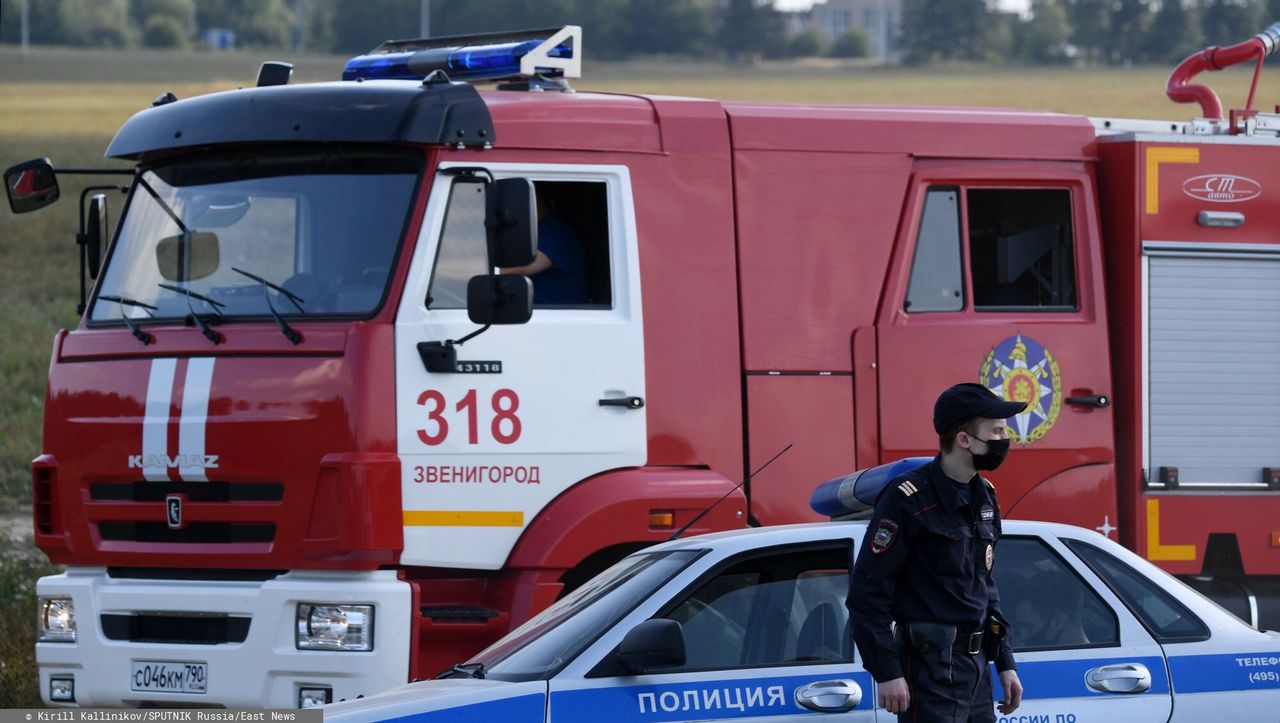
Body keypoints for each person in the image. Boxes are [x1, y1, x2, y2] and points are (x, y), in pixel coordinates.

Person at [850, 382, 1026, 721]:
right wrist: (887, 671)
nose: (1005, 440)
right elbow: (867, 593)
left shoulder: (984, 497)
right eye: (997, 431)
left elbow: (985, 588)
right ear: (964, 440)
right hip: (929, 672)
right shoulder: (907, 499)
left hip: (975, 672)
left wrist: (1005, 661)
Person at [499, 188, 588, 304]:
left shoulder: (552, 229)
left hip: (558, 316)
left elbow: (525, 265)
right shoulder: (534, 231)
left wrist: (477, 269)